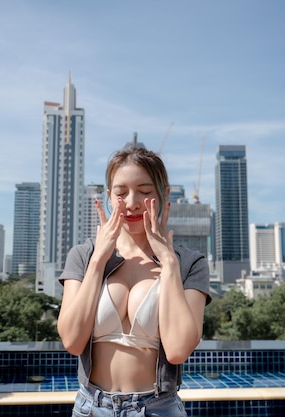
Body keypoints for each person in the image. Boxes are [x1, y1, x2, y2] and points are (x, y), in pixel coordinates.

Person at [57, 144, 211, 417]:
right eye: (121, 193)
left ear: (164, 194)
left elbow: (177, 350)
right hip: (91, 407)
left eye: (145, 191)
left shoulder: (189, 263)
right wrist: (97, 262)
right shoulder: (83, 256)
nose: (131, 202)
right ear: (108, 196)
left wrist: (169, 264)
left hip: (158, 408)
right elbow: (72, 341)